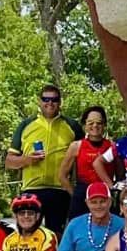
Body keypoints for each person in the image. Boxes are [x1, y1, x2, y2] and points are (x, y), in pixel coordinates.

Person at [6, 84, 83, 237]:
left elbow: (83, 157)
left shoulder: (72, 126)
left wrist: (77, 190)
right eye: (46, 99)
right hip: (32, 189)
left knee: (57, 236)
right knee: (29, 235)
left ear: (60, 102)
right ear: (39, 101)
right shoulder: (26, 125)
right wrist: (27, 159)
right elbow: (9, 161)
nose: (50, 103)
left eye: (54, 99)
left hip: (60, 190)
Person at [59, 105, 114, 221]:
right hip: (82, 195)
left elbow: (120, 175)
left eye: (99, 123)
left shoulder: (112, 146)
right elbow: (62, 176)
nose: (95, 126)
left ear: (104, 125)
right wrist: (75, 195)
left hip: (105, 195)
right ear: (85, 125)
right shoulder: (76, 146)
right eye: (90, 123)